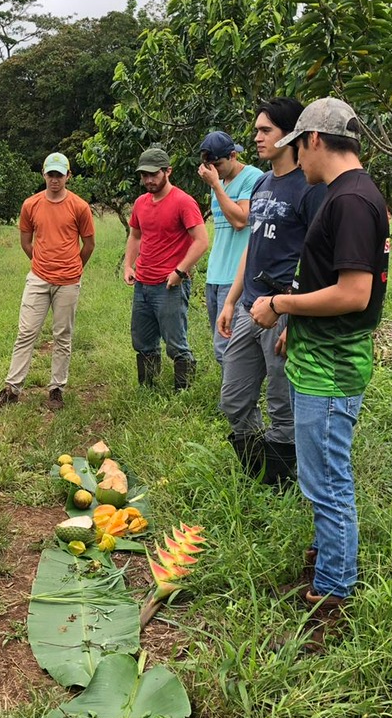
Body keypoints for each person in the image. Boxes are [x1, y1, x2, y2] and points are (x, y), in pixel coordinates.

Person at [249, 96, 389, 654]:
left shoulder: (352, 200)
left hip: (332, 369)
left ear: (312, 141)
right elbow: (327, 280)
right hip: (317, 353)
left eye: (293, 147)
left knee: (328, 481)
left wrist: (281, 305)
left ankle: (333, 593)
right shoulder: (342, 194)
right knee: (318, 475)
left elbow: (355, 294)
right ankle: (325, 563)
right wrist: (297, 322)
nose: (292, 160)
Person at [216, 98, 327, 485]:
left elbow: (317, 258)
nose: (257, 137)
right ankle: (257, 469)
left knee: (283, 406)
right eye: (257, 130)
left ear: (291, 134)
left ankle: (274, 485)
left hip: (283, 310)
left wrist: (293, 319)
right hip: (250, 308)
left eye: (266, 130)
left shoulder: (310, 187)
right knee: (233, 399)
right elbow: (254, 244)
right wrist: (231, 300)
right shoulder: (262, 183)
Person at [0, 152, 95, 410]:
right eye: (51, 174)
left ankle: (56, 389)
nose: (55, 180)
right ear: (44, 175)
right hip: (38, 278)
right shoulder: (31, 205)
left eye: (60, 175)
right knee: (26, 332)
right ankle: (12, 388)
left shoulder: (79, 206)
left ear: (68, 176)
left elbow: (89, 243)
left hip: (68, 281)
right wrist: (41, 262)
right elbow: (26, 241)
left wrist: (73, 267)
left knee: (63, 335)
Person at [123, 146, 208, 390]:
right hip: (143, 283)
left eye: (154, 174)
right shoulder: (140, 203)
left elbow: (201, 241)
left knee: (175, 343)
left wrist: (180, 272)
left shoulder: (183, 202)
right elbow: (135, 236)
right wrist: (128, 265)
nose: (148, 180)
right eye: (144, 175)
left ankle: (183, 392)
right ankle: (148, 388)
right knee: (142, 340)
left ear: (167, 171)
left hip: (169, 284)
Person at [197, 131, 263, 367]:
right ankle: (231, 400)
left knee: (229, 349)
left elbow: (240, 220)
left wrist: (215, 186)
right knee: (221, 348)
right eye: (209, 165)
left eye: (218, 164)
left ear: (233, 155)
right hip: (215, 275)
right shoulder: (220, 182)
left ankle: (235, 402)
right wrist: (217, 184)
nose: (214, 170)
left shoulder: (253, 177)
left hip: (236, 276)